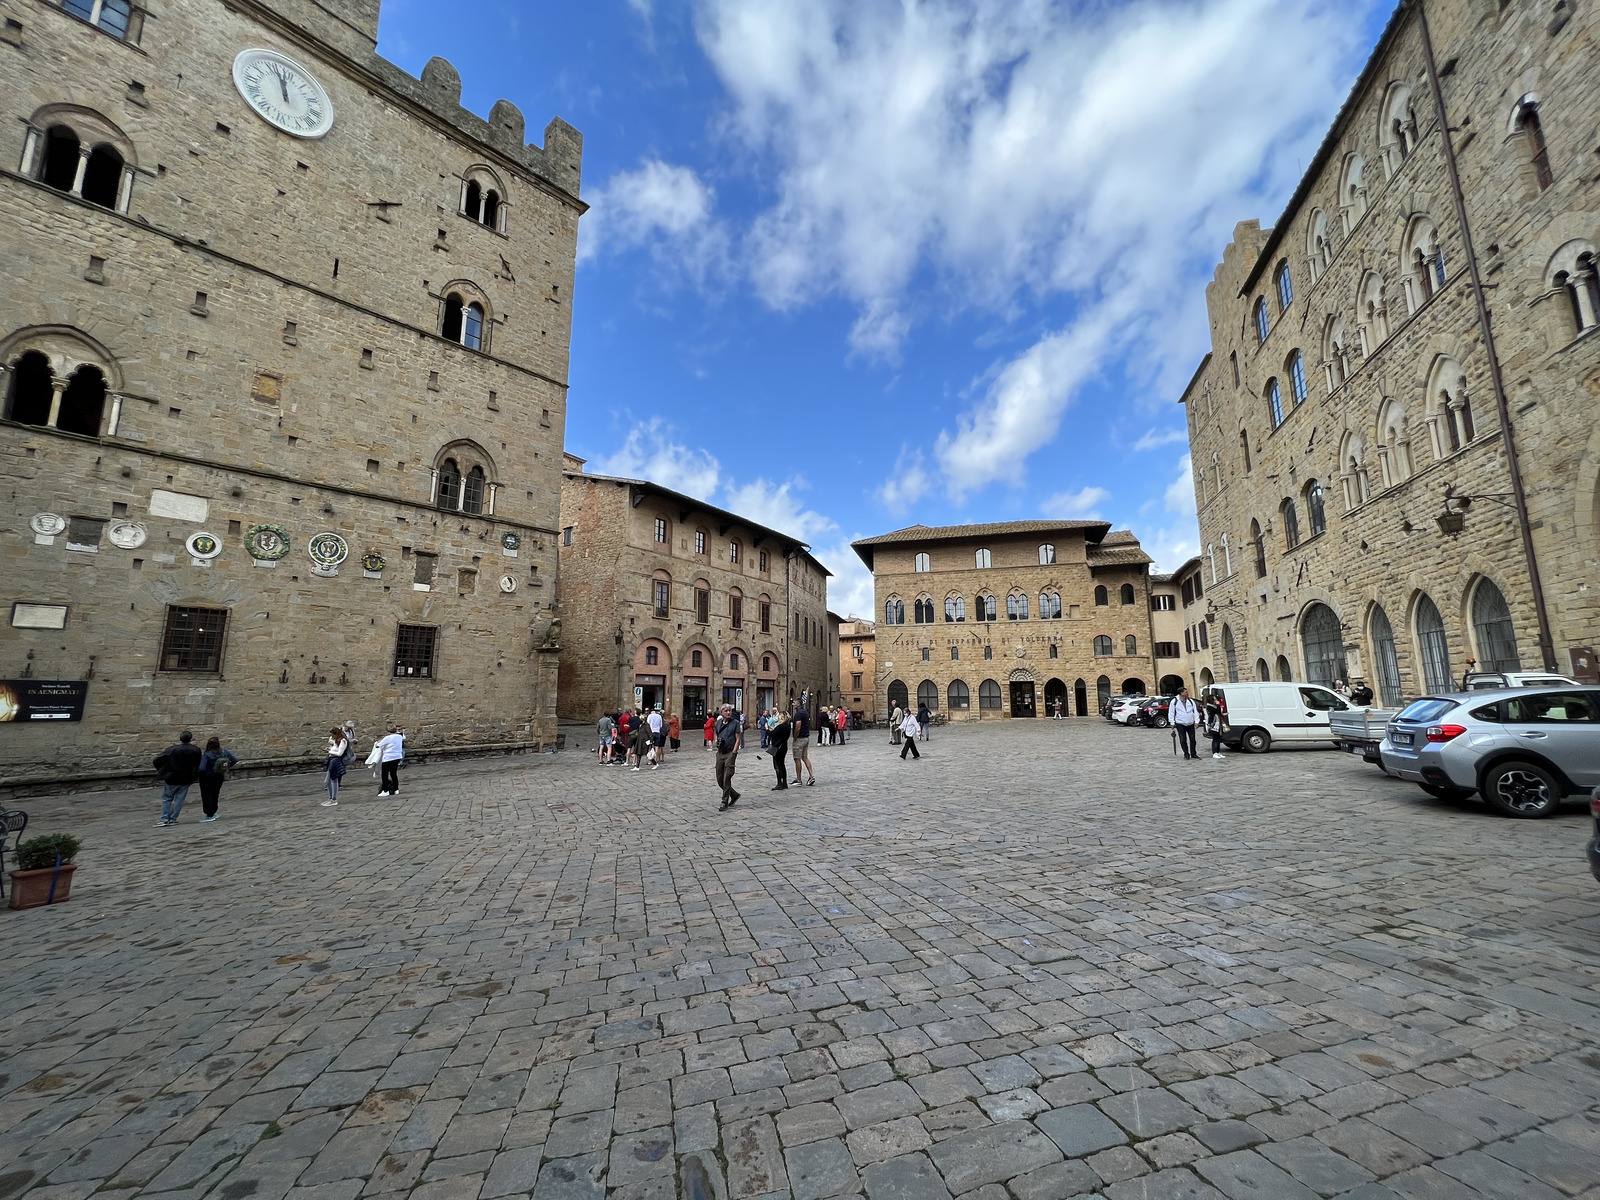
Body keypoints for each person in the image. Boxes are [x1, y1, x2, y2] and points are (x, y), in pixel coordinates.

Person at [153, 730, 203, 827]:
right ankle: (173, 818)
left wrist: (162, 770)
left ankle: (164, 818)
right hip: (186, 778)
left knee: (167, 798)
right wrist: (195, 777)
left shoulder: (172, 749)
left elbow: (157, 760)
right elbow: (198, 765)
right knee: (179, 799)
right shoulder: (196, 750)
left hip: (171, 777)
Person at [197, 736, 238, 822]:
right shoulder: (224, 752)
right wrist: (226, 767)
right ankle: (214, 811)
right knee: (215, 794)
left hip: (208, 777)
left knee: (207, 795)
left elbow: (201, 768)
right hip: (219, 776)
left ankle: (209, 813)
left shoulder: (207, 755)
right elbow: (234, 760)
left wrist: (200, 776)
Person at [713, 704, 742, 809]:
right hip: (720, 753)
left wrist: (734, 753)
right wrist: (717, 740)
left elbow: (738, 738)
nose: (728, 712)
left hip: (730, 753)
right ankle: (734, 795)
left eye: (729, 710)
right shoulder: (719, 723)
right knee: (719, 779)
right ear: (722, 712)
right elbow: (716, 733)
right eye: (726, 711)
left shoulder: (735, 723)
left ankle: (724, 801)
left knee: (727, 777)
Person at [1170, 688, 1200, 760]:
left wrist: (1196, 721)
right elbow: (1171, 712)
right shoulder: (1175, 701)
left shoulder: (1190, 701)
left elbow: (1195, 711)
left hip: (1190, 722)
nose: (1187, 693)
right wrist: (1172, 722)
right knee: (1183, 740)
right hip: (1180, 723)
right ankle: (1186, 753)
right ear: (1181, 693)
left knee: (1192, 739)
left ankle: (1193, 753)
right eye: (1186, 692)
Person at [375, 724, 405, 794]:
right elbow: (403, 737)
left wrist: (377, 743)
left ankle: (385, 790)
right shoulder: (399, 737)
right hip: (397, 756)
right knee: (393, 773)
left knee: (384, 774)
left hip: (388, 757)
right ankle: (396, 789)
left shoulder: (387, 738)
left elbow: (378, 745)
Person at [322, 727, 348, 806]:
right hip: (332, 760)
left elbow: (340, 753)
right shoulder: (337, 741)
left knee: (332, 780)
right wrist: (330, 749)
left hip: (336, 761)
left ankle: (333, 799)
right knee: (330, 780)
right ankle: (331, 798)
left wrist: (329, 751)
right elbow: (335, 750)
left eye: (332, 735)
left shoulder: (343, 741)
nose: (332, 737)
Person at [766, 708, 791, 789]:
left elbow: (771, 734)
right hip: (784, 747)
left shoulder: (780, 727)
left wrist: (767, 728)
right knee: (782, 765)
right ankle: (785, 782)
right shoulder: (788, 726)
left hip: (777, 747)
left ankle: (779, 783)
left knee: (777, 765)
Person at [791, 703, 815, 786]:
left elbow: (798, 726)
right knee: (804, 757)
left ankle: (799, 779)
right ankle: (811, 776)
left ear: (798, 704)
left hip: (800, 738)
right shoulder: (805, 712)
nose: (792, 704)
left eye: (794, 702)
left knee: (797, 759)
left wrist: (795, 737)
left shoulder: (798, 713)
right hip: (806, 737)